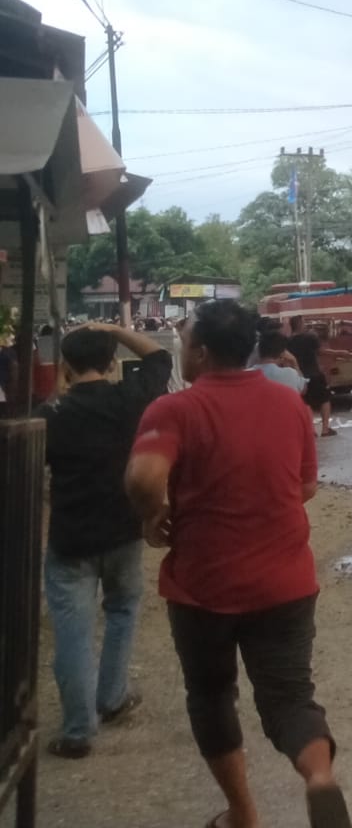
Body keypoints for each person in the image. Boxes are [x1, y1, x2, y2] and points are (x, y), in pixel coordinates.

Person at [125, 300, 352, 828]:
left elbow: (142, 479)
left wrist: (151, 515)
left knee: (210, 694)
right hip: (286, 581)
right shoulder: (288, 403)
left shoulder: (174, 409)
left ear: (200, 352)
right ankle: (319, 778)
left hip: (205, 586)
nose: (181, 351)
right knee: (291, 697)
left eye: (183, 343)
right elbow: (306, 486)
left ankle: (243, 815)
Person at [41, 322, 172, 758]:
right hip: (123, 528)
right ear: (112, 363)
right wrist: (113, 327)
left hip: (70, 536)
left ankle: (79, 731)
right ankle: (112, 698)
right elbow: (159, 357)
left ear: (65, 368)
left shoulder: (51, 415)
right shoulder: (130, 400)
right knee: (121, 611)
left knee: (73, 632)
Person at [285, 317, 335, 438]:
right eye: (304, 323)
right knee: (324, 399)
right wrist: (341, 353)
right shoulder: (310, 337)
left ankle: (311, 430)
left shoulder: (287, 341)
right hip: (315, 373)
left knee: (306, 403)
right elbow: (320, 351)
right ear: (300, 324)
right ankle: (325, 429)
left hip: (299, 375)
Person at [253, 330, 308, 395]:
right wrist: (295, 364)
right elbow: (304, 389)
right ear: (282, 353)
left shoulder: (248, 374)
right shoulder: (290, 374)